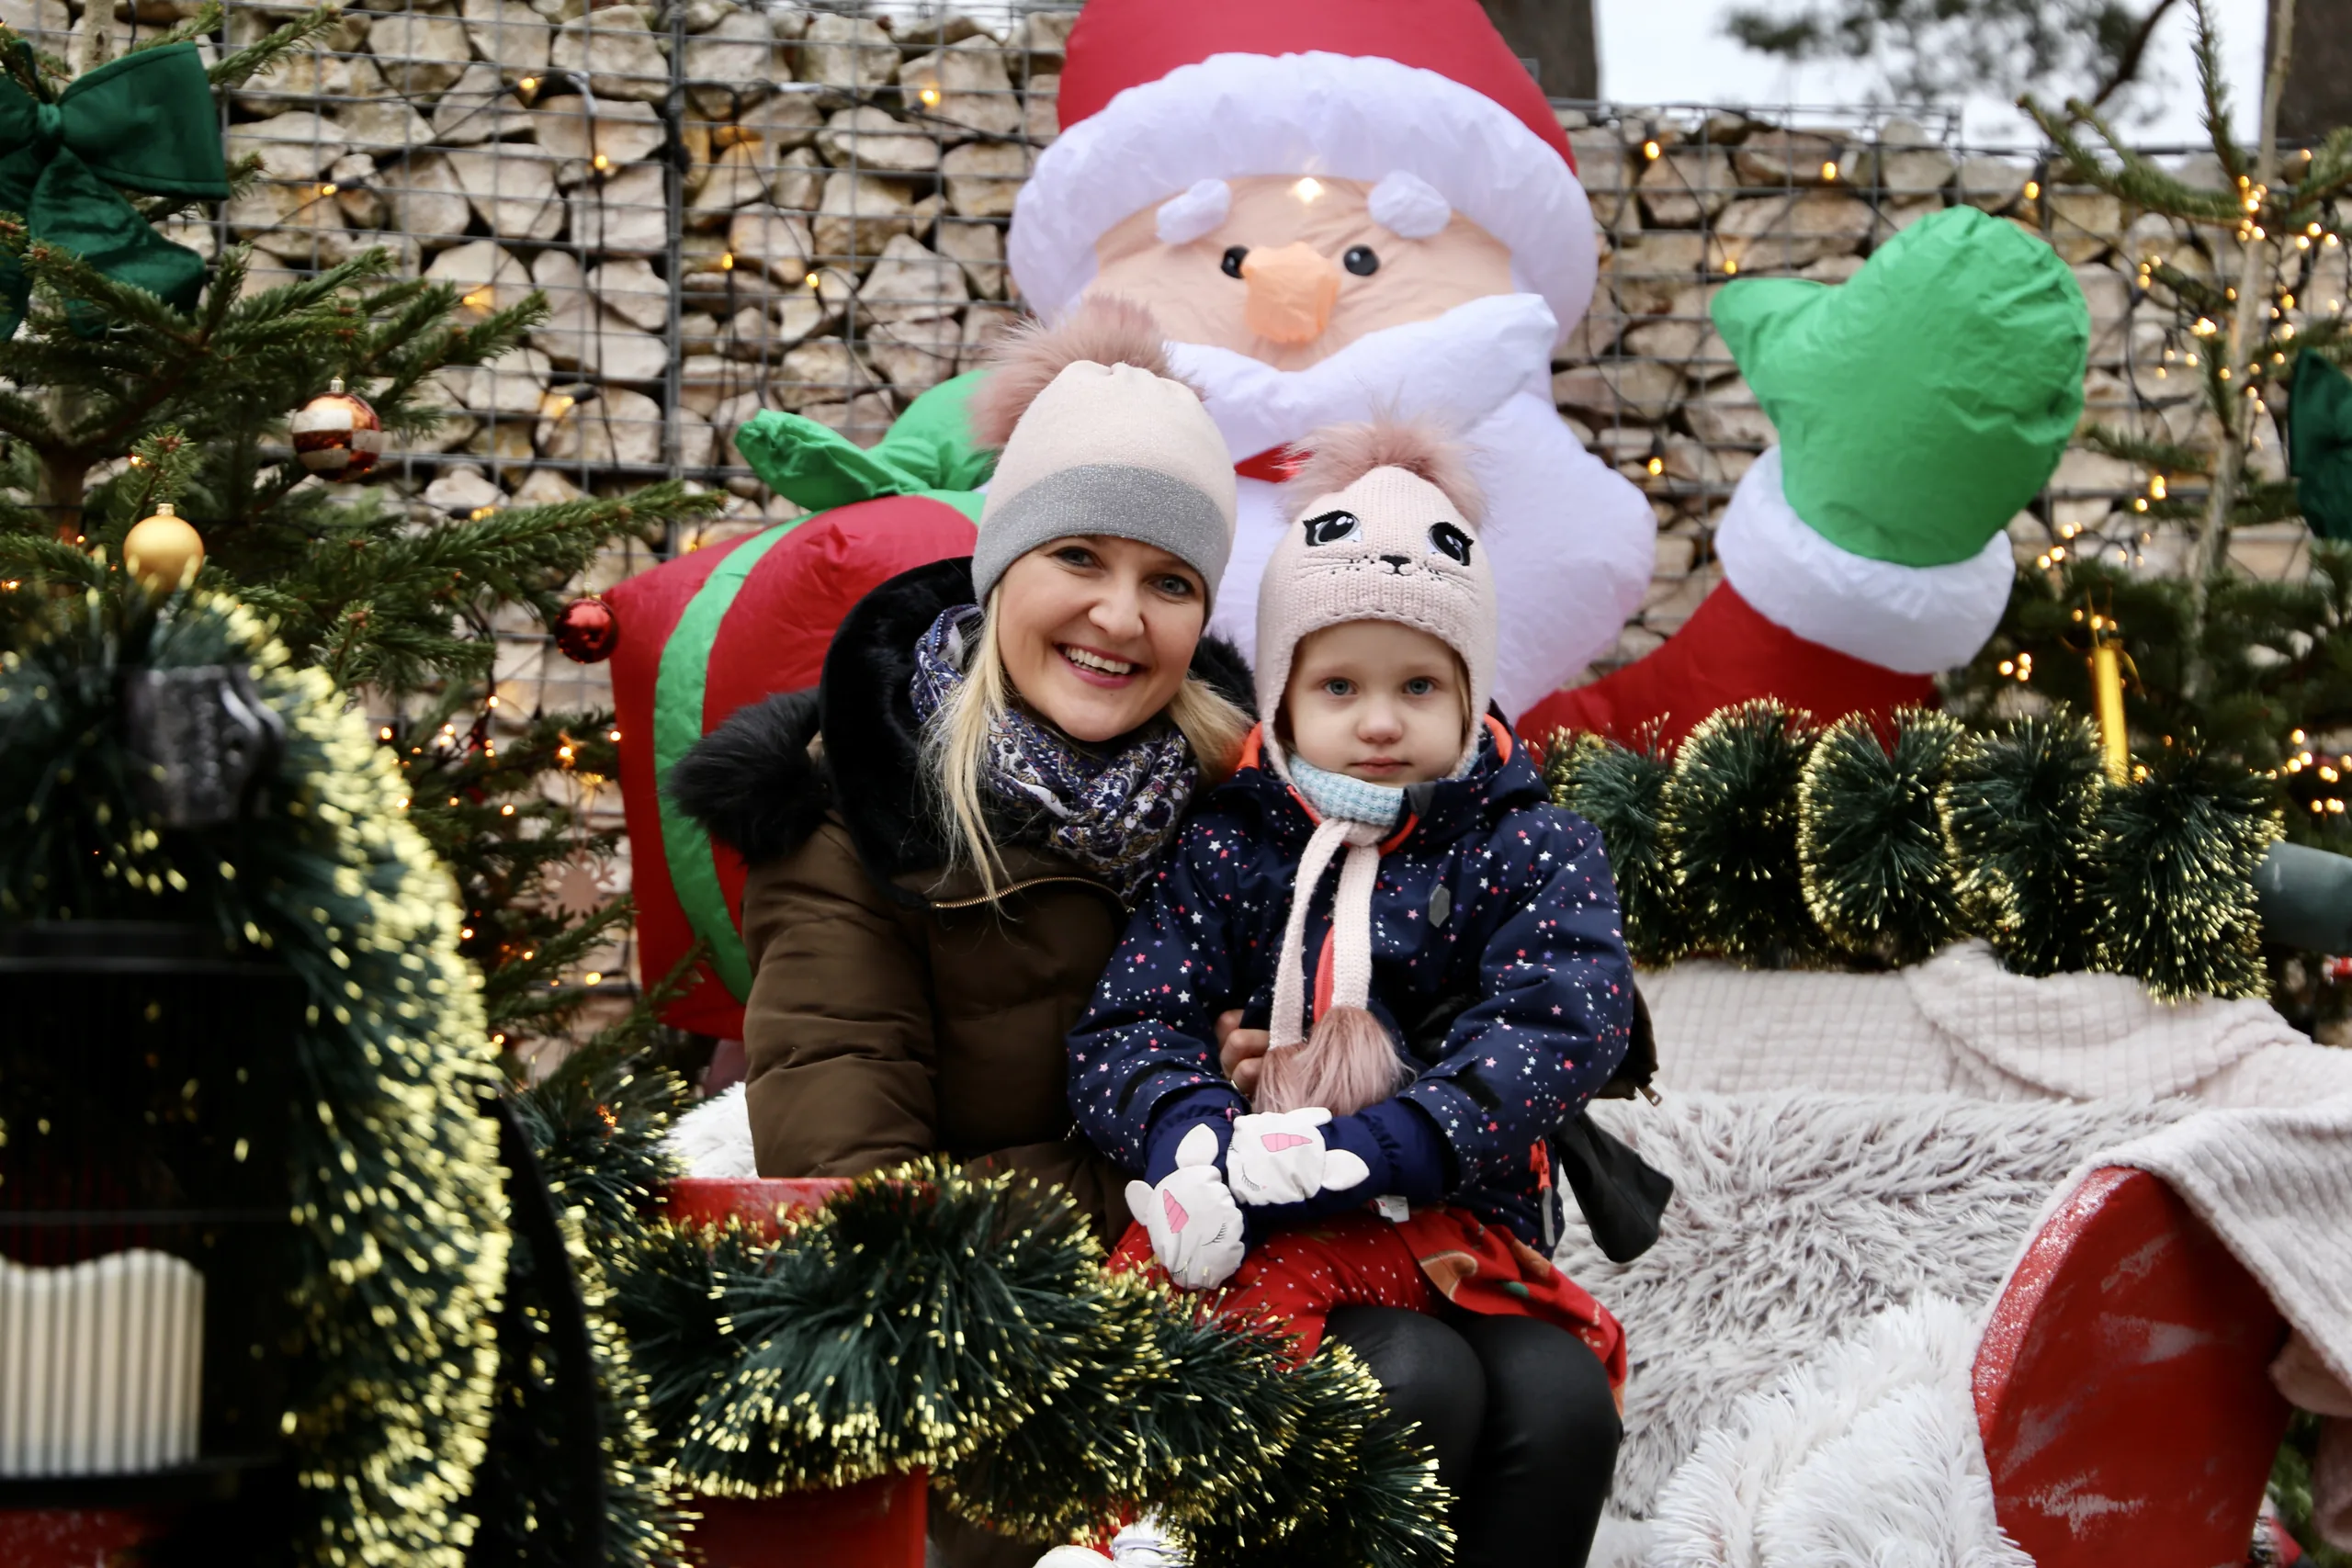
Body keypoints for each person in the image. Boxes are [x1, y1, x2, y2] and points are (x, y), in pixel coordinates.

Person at [1064, 422, 1633, 1568]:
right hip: (1273, 1232)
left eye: (1419, 683)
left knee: (1560, 1399)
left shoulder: (1524, 843)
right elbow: (1134, 1019)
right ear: (1280, 698)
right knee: (1406, 1387)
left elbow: (1561, 1012)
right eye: (1339, 683)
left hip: (1458, 1219)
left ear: (1473, 693)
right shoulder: (1232, 845)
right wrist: (1190, 1135)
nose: (1379, 721)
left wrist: (1403, 1136)